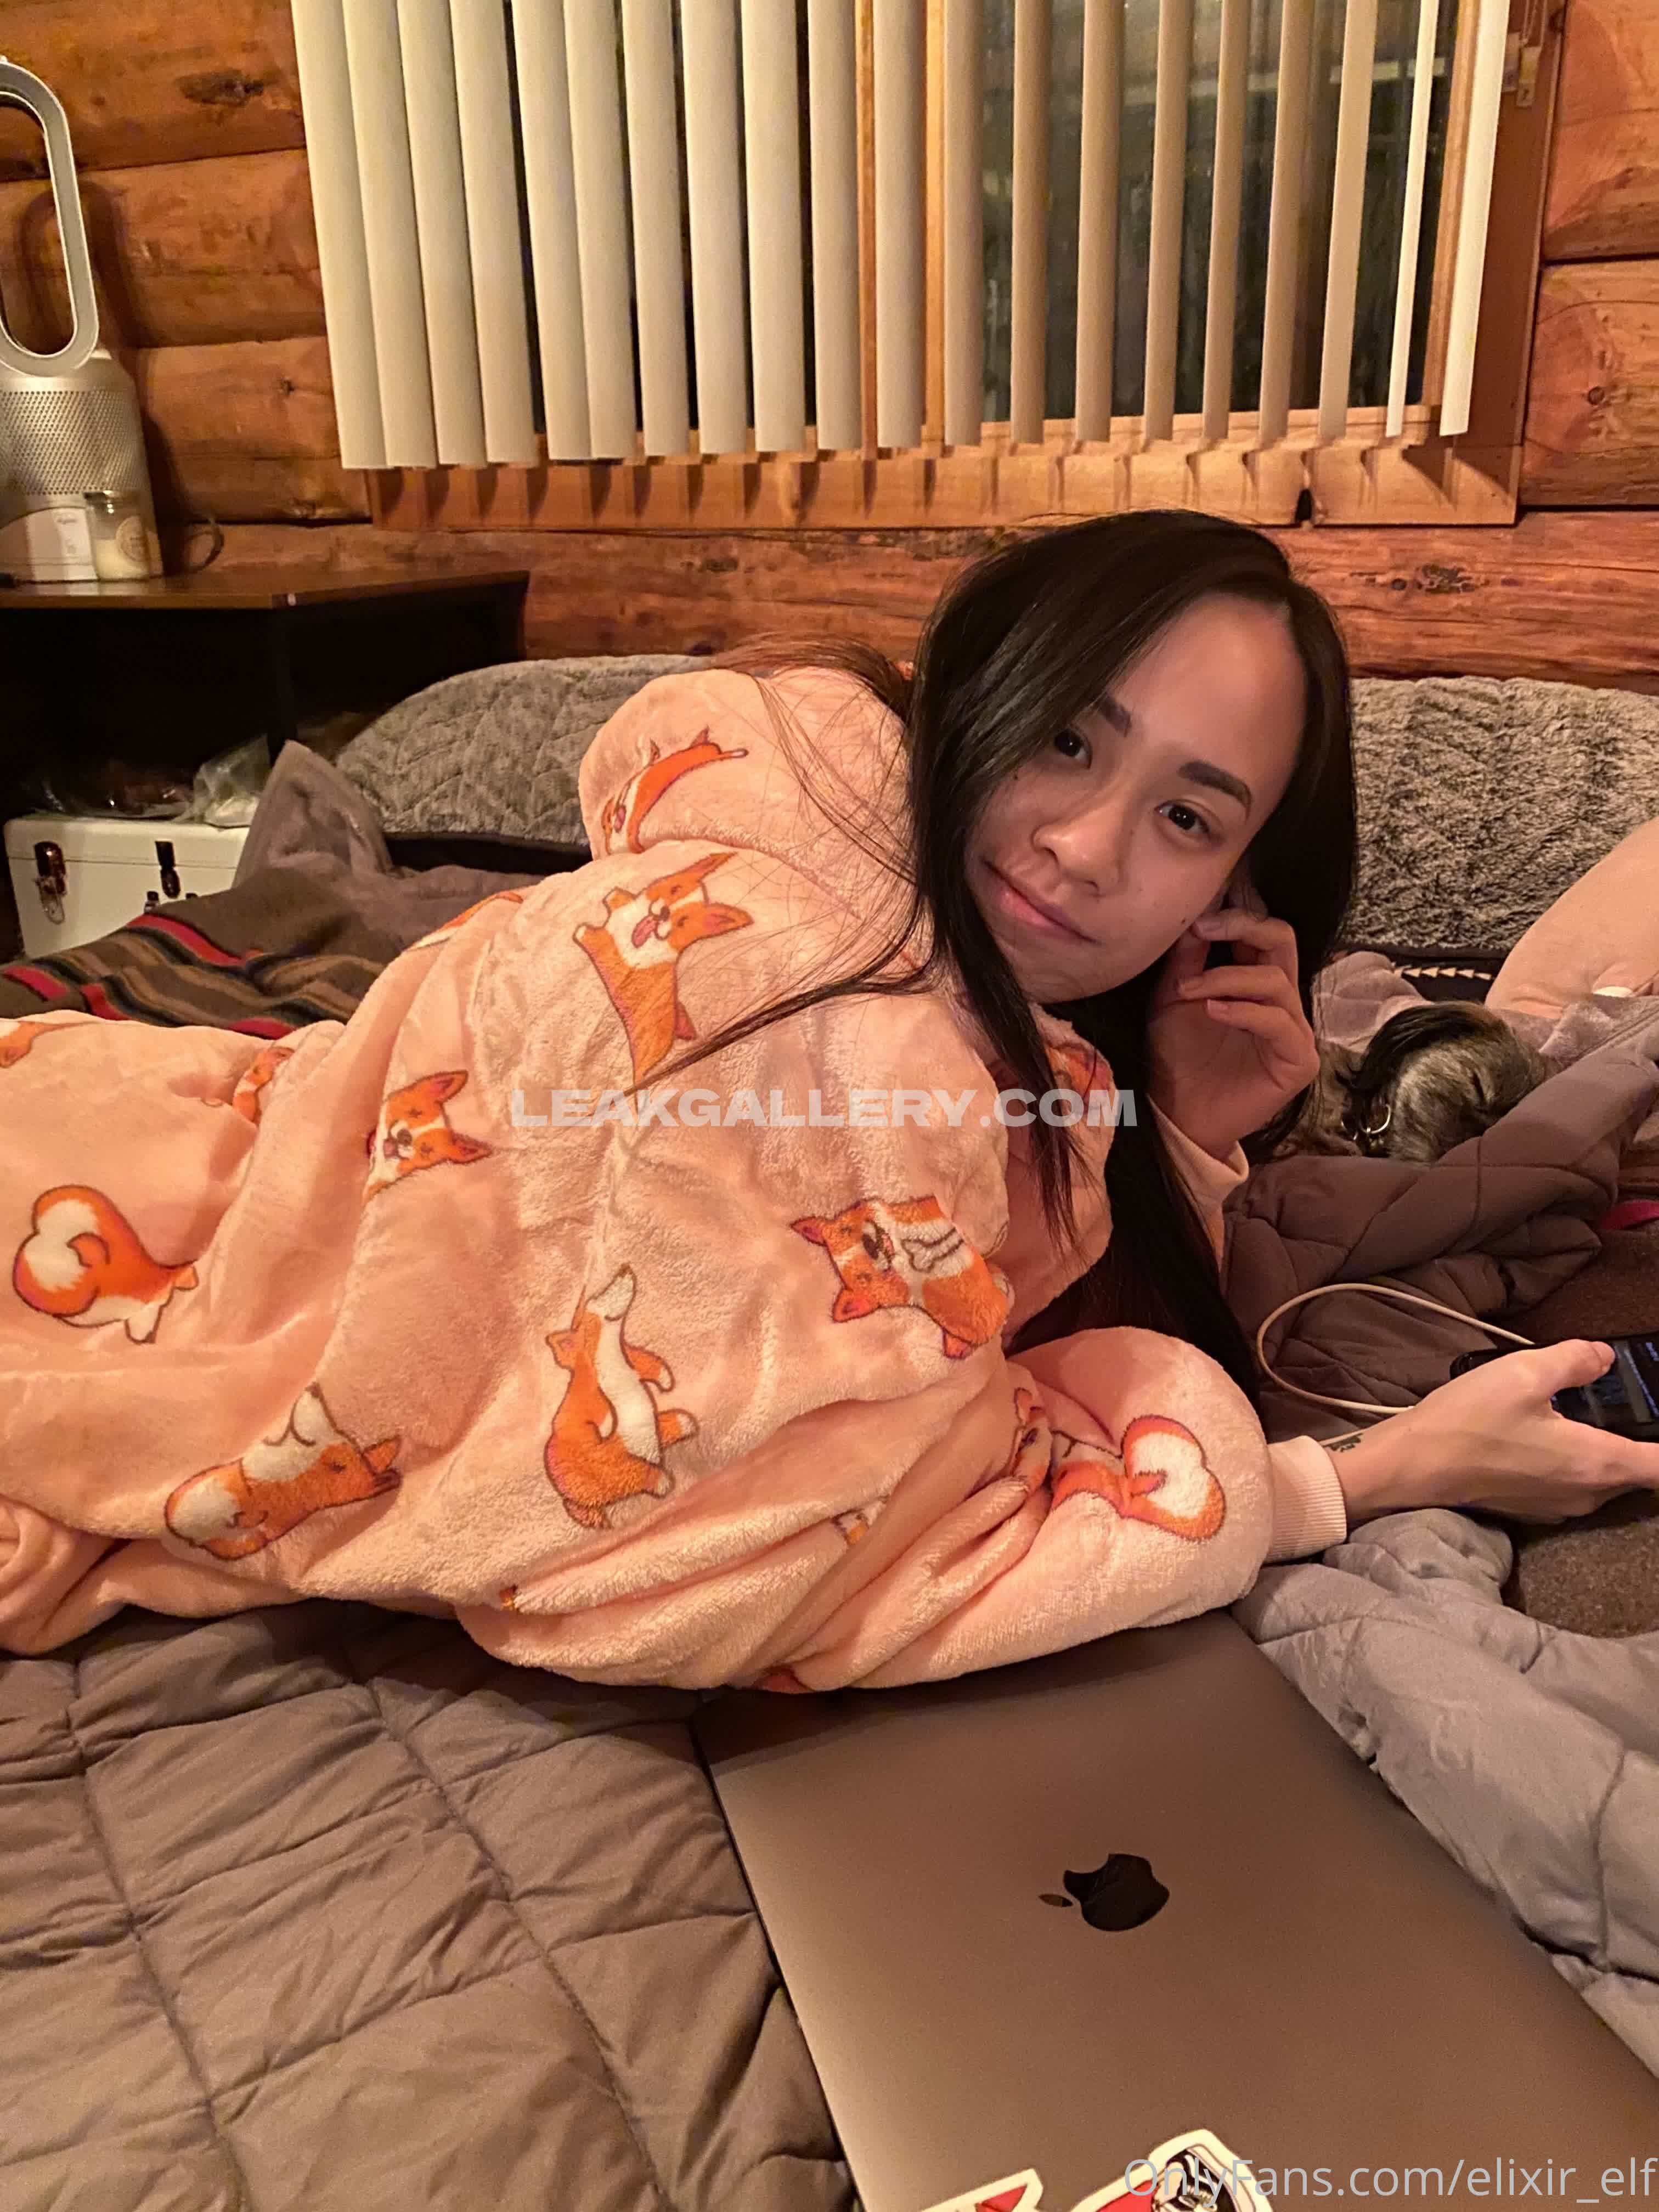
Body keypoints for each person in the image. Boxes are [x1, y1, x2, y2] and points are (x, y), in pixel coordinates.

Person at [0, 512, 1649, 1684]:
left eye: (1188, 818)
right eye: (1067, 741)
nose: (1084, 847)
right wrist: (1354, 1480)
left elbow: (1004, 1277)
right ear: (972, 693)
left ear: (1238, 891)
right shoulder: (832, 990)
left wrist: (1183, 1126)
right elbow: (777, 1553)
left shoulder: (1029, 1063)